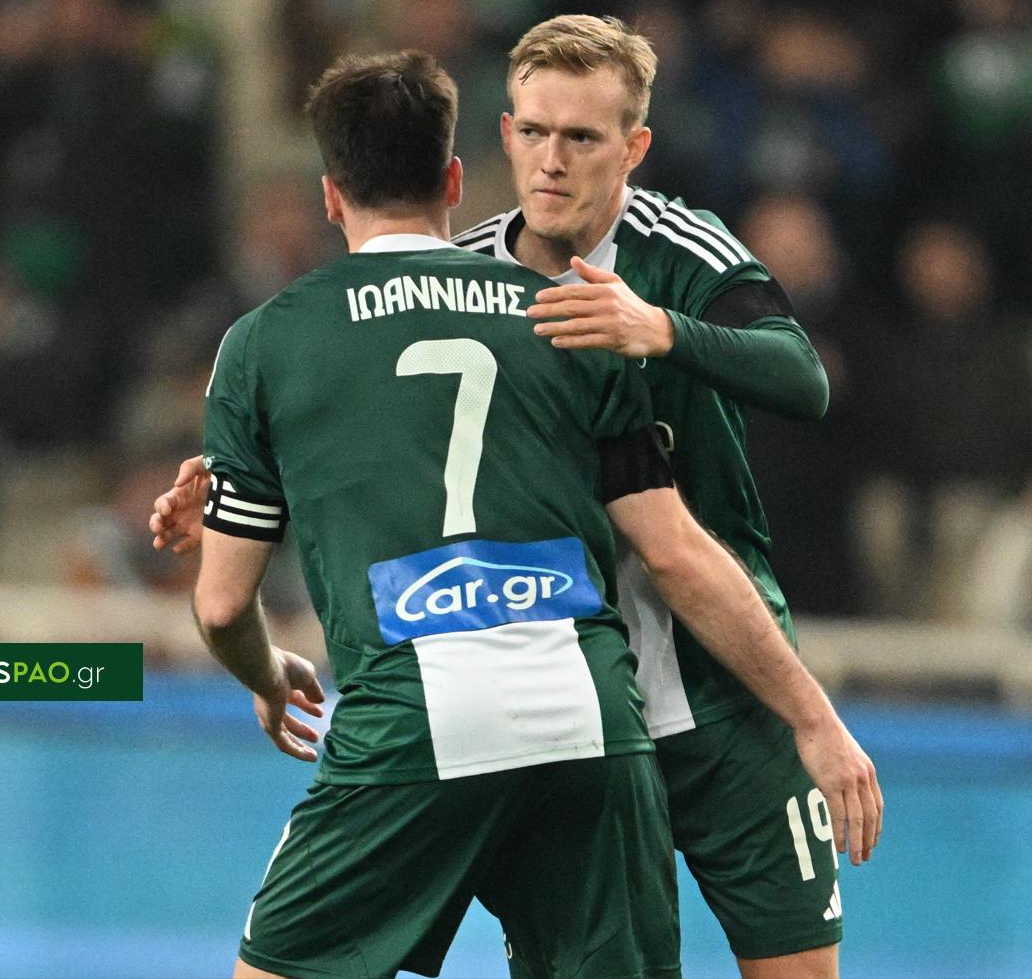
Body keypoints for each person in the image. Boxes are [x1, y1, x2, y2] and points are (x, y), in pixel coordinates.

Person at [183, 49, 879, 979]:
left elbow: (800, 380)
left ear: (632, 148)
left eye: (581, 137)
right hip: (590, 697)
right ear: (483, 155)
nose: (553, 160)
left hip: (704, 686)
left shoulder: (675, 251)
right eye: (536, 134)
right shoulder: (511, 296)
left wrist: (660, 330)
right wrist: (228, 469)